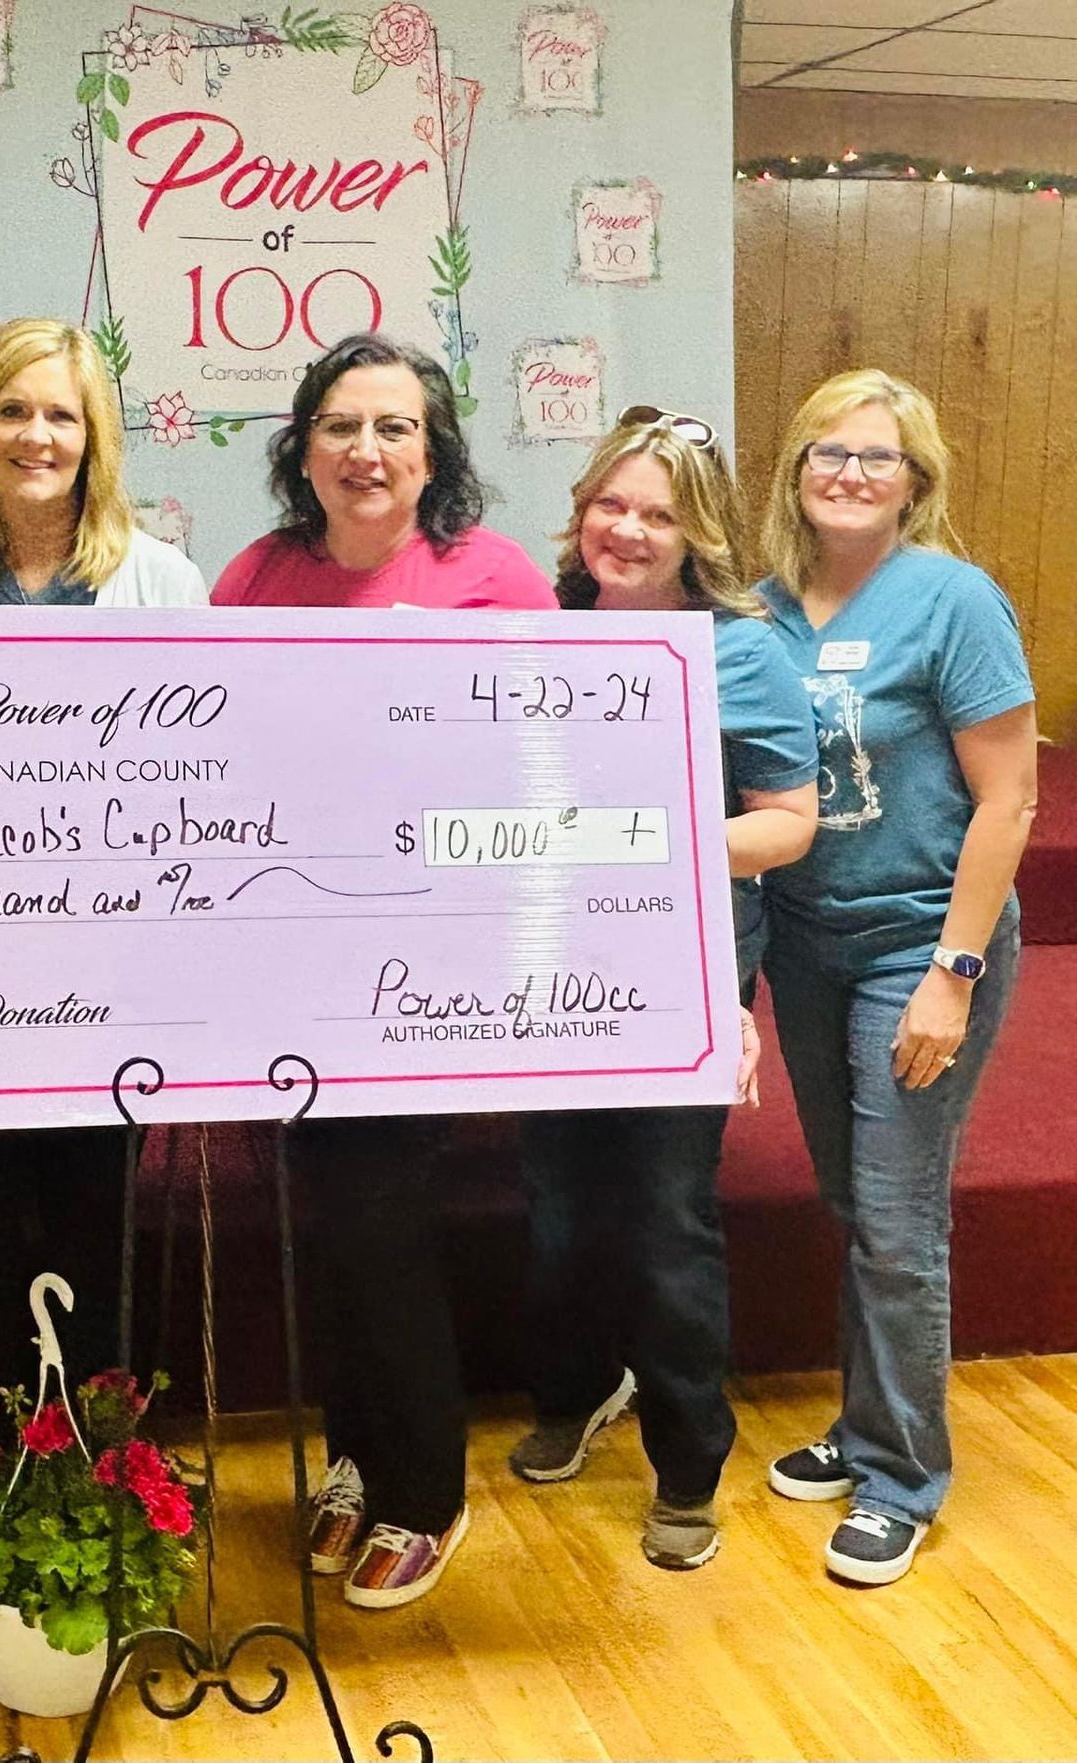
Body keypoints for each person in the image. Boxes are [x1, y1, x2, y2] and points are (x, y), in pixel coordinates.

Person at [212, 331, 557, 1609]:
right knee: (332, 1213)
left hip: (429, 957)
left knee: (382, 1214)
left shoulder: (494, 577)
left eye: (395, 427)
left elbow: (551, 761)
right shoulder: (256, 576)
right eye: (341, 426)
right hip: (288, 953)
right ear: (303, 448)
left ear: (434, 452)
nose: (367, 450)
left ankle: (424, 1488)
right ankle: (356, 1454)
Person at [508, 407, 818, 1570]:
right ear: (582, 510)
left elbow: (789, 825)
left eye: (659, 513)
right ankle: (574, 1390)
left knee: (662, 1219)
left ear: (699, 534)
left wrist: (648, 841)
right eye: (613, 504)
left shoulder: (742, 649)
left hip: (679, 967)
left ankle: (689, 1461)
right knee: (558, 1207)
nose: (629, 530)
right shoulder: (539, 629)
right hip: (549, 964)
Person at [754, 370, 1037, 1587]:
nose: (851, 473)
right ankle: (869, 1420)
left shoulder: (953, 599)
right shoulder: (764, 608)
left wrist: (952, 974)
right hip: (808, 944)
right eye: (830, 450)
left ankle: (901, 1478)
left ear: (916, 482)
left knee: (898, 1217)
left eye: (878, 456)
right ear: (797, 470)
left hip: (921, 946)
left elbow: (1010, 798)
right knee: (855, 1203)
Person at [0, 318, 206, 1400]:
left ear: (96, 439)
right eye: (13, 410)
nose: (36, 436)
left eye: (60, 416)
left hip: (108, 974)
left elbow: (198, 782)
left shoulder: (163, 583)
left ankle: (108, 1459)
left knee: (96, 1220)